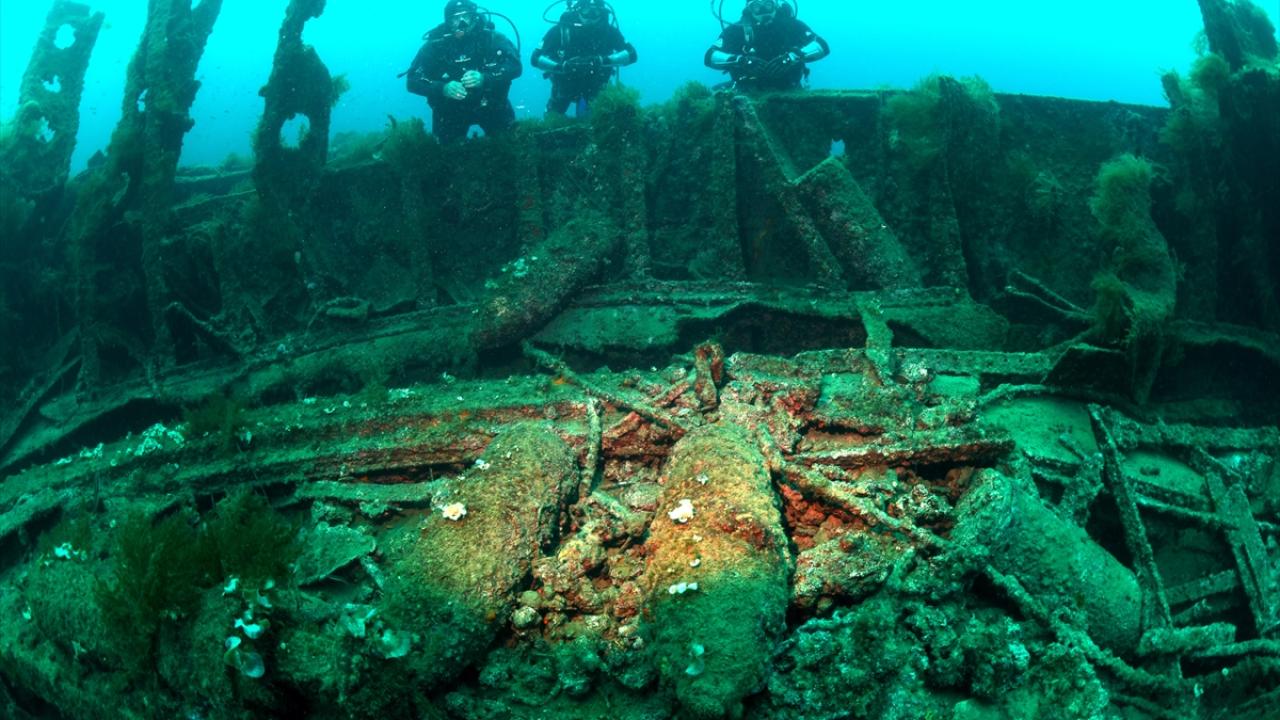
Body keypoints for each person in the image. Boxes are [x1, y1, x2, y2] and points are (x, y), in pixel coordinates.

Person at [407, 0, 523, 144]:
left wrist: (485, 78)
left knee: (509, 146)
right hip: (450, 113)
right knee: (446, 157)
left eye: (466, 17)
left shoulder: (492, 38)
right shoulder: (435, 45)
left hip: (493, 106)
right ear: (447, 21)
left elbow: (515, 66)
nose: (461, 23)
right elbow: (412, 80)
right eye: (455, 18)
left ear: (474, 17)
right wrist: (443, 88)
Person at [531, 0, 638, 117]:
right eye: (586, 11)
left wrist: (602, 61)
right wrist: (562, 67)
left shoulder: (609, 32)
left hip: (595, 88)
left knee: (590, 125)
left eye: (595, 12)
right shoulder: (561, 30)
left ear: (602, 13)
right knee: (552, 121)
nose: (590, 17)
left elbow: (632, 54)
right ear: (578, 10)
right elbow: (535, 58)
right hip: (563, 86)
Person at [704, 0, 829, 92]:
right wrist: (741, 61)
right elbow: (710, 56)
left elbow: (822, 45)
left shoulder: (792, 26)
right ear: (749, 9)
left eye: (767, 4)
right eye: (756, 6)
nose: (763, 10)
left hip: (789, 88)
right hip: (745, 89)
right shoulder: (736, 31)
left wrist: (792, 57)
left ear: (775, 5)